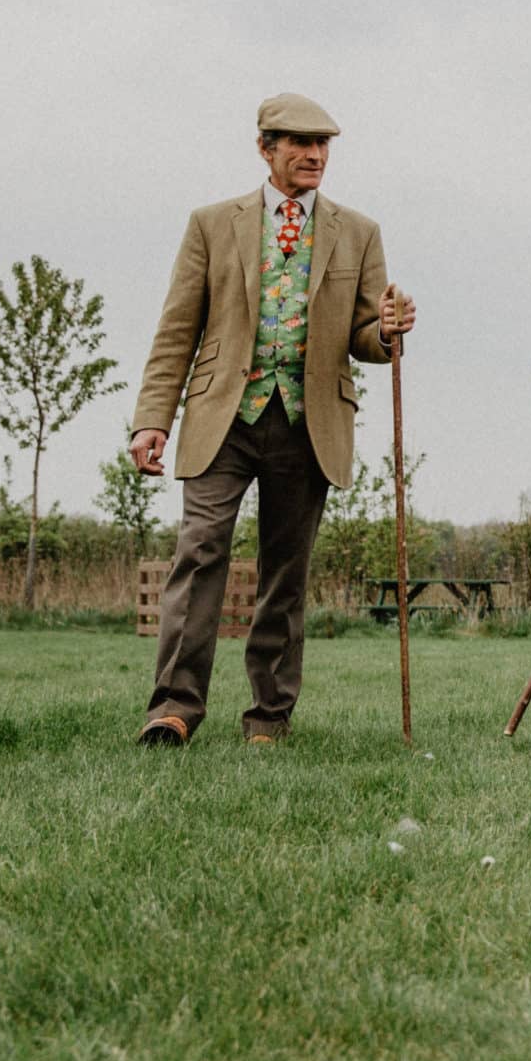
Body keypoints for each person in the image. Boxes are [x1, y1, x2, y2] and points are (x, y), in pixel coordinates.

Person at [127, 94, 417, 745]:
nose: (315, 156)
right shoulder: (211, 223)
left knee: (285, 570)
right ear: (266, 148)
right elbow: (178, 327)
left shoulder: (360, 232)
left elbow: (367, 338)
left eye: (323, 146)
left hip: (307, 422)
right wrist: (153, 418)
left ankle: (269, 715)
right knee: (199, 552)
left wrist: (391, 330)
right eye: (299, 144)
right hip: (221, 417)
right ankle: (173, 708)